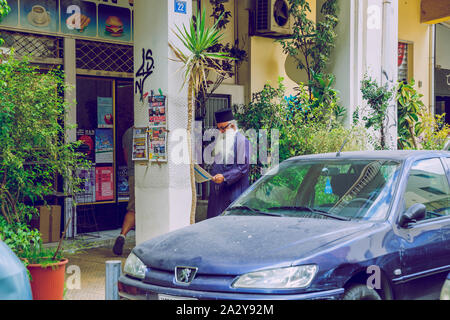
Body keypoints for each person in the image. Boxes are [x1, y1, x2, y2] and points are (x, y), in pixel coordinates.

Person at [206, 109, 251, 219]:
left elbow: (243, 168)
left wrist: (225, 177)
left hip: (234, 194)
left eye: (223, 128)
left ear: (233, 126)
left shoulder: (242, 141)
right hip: (218, 193)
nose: (221, 131)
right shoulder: (221, 141)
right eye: (219, 128)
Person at [113, 126, 135, 256]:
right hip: (150, 175)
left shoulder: (128, 132)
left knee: (133, 207)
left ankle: (122, 235)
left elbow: (126, 156)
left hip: (133, 174)